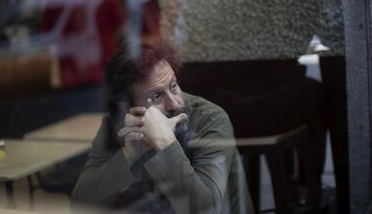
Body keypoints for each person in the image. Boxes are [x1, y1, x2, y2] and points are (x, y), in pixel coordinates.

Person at [71, 41, 254, 213]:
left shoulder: (210, 119)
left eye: (174, 86)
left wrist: (164, 143)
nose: (174, 103)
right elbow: (81, 204)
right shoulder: (118, 125)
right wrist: (129, 155)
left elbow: (206, 210)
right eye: (157, 97)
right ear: (126, 107)